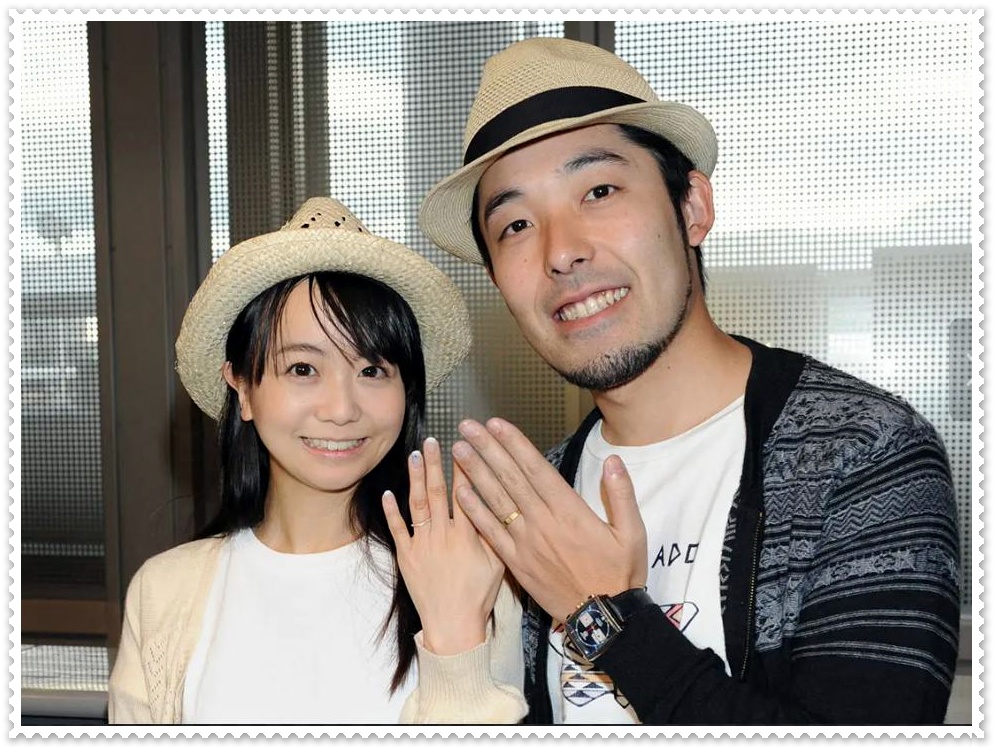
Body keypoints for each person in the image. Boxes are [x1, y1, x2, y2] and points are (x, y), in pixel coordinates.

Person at [417, 37, 960, 725]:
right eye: (516, 224)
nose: (561, 251)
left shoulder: (862, 451)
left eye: (599, 191)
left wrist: (601, 616)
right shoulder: (534, 501)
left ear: (692, 207)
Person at [108, 196, 526, 724]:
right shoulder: (163, 591)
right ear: (242, 388)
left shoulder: (472, 572)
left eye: (372, 371)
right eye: (303, 369)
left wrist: (456, 635)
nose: (341, 409)